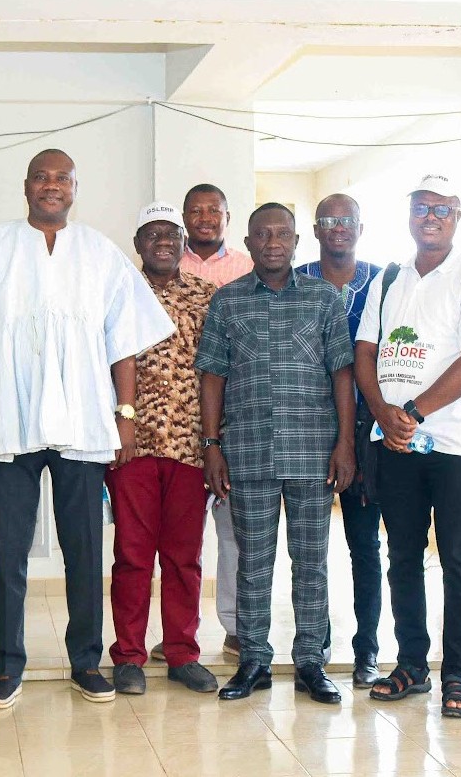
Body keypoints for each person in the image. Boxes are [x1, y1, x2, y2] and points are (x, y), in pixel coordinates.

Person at [0, 149, 173, 710]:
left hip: (82, 421)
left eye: (62, 179)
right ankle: (6, 667)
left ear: (75, 187)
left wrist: (125, 416)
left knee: (84, 550)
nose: (52, 186)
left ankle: (86, 662)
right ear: (26, 186)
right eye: (42, 178)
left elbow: (123, 343)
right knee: (10, 553)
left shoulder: (100, 253)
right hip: (8, 420)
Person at [196, 203, 356, 704]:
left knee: (312, 562)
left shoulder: (323, 299)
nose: (272, 242)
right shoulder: (228, 301)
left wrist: (345, 444)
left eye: (282, 233)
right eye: (262, 234)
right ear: (247, 242)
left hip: (313, 451)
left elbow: (342, 374)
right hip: (248, 451)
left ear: (296, 242)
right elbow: (212, 376)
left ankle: (310, 661)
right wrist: (211, 446)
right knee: (253, 562)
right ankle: (253, 660)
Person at [356, 174, 461, 718]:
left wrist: (413, 413)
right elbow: (364, 350)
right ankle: (411, 664)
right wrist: (382, 413)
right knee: (402, 556)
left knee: (459, 558)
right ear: (410, 215)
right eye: (422, 208)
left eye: (442, 209)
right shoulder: (389, 278)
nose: (431, 217)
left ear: (457, 216)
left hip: (455, 445)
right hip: (395, 444)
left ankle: (457, 675)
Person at [108, 202, 219, 696]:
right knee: (132, 555)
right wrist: (120, 423)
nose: (163, 242)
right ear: (137, 244)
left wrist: (215, 441)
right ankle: (129, 656)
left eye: (171, 234)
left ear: (183, 242)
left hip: (190, 446)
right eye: (152, 235)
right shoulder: (117, 292)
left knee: (184, 558)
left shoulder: (207, 296)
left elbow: (217, 371)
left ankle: (182, 653)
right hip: (132, 446)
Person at [296, 193, 384, 688]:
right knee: (311, 549)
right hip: (307, 431)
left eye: (347, 219)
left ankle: (367, 650)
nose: (338, 227)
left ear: (361, 227)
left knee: (364, 545)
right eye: (328, 220)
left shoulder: (384, 283)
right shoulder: (295, 281)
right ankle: (317, 645)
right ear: (316, 229)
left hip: (367, 435)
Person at [168, 183, 255, 660]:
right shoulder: (164, 263)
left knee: (233, 532)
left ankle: (237, 626)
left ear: (227, 217)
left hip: (234, 418)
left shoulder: (247, 268)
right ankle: (178, 634)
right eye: (195, 210)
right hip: (175, 422)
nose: (204, 218)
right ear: (184, 217)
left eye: (213, 210)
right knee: (178, 540)